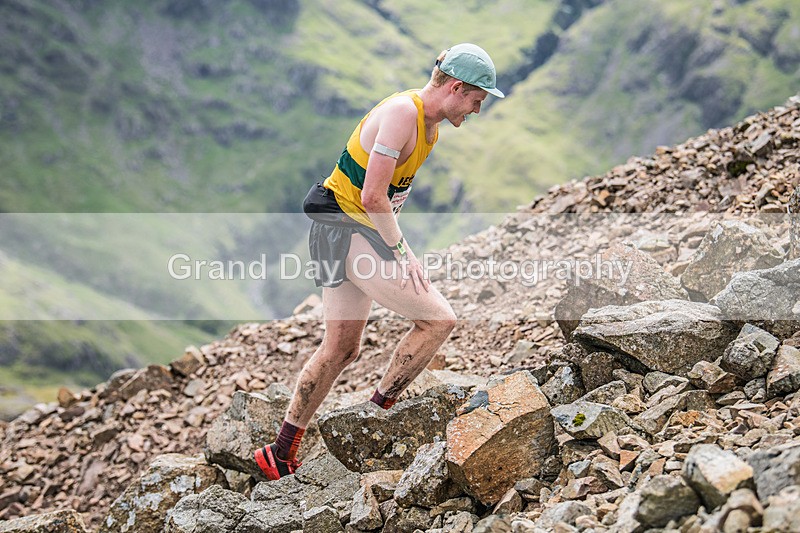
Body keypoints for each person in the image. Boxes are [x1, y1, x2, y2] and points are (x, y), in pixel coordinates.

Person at [255, 43, 504, 480]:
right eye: (477, 100)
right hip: (346, 229)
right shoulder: (402, 115)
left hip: (345, 230)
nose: (478, 110)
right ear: (456, 87)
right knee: (438, 320)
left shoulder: (430, 126)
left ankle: (279, 453)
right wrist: (401, 253)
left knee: (342, 348)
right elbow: (372, 196)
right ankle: (372, 422)